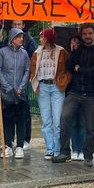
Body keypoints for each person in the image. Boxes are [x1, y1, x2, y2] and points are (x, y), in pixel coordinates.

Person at [53, 24, 94, 167]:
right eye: (85, 34)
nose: (87, 36)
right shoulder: (79, 50)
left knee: (90, 126)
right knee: (64, 118)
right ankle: (65, 151)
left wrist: (81, 69)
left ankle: (88, 155)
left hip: (92, 94)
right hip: (75, 92)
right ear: (81, 35)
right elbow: (70, 66)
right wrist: (75, 58)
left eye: (90, 33)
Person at [30, 28, 71, 159]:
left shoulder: (61, 51)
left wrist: (64, 81)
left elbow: (68, 68)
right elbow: (32, 68)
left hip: (57, 87)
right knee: (46, 120)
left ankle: (58, 149)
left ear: (47, 38)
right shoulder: (37, 52)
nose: (40, 39)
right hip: (43, 87)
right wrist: (33, 81)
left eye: (42, 37)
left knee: (57, 120)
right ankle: (50, 148)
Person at [0, 28, 31, 159]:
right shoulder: (2, 52)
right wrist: (7, 87)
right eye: (19, 37)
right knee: (7, 120)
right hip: (6, 93)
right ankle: (7, 145)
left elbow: (27, 70)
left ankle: (19, 147)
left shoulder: (24, 54)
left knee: (21, 120)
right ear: (12, 38)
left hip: (20, 92)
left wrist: (21, 87)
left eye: (22, 37)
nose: (21, 39)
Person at [4, 20, 36, 150]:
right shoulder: (5, 43)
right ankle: (8, 139)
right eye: (14, 25)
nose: (17, 27)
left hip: (22, 81)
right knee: (8, 111)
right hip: (8, 82)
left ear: (23, 26)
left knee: (23, 112)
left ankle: (24, 139)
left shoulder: (29, 41)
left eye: (19, 24)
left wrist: (23, 84)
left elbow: (30, 62)